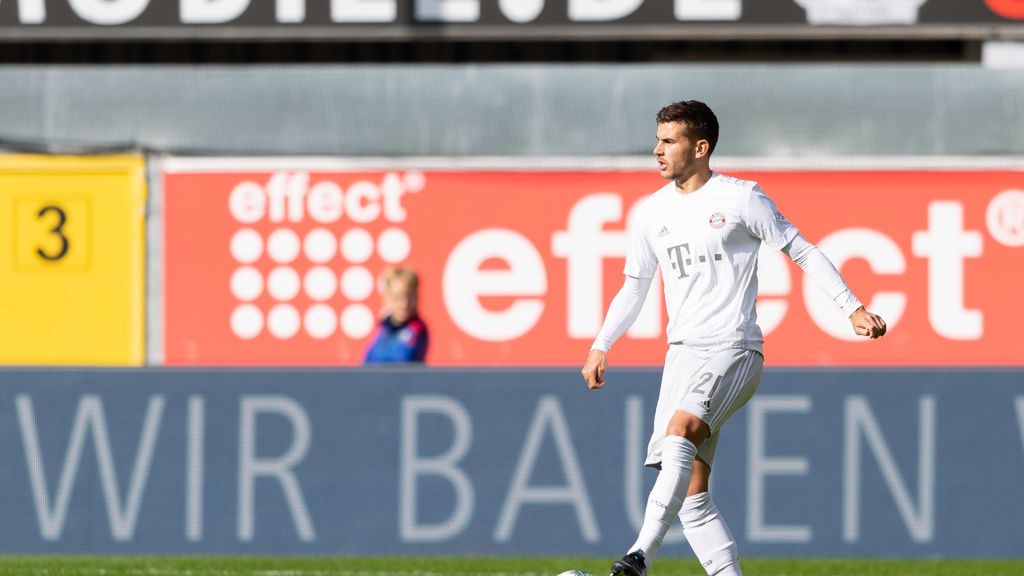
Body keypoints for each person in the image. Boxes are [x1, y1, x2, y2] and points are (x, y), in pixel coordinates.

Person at [580, 100, 887, 576]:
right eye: (657, 139)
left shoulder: (741, 198)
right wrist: (602, 343)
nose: (656, 150)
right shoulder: (651, 212)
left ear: (700, 147)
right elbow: (635, 285)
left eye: (669, 141)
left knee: (679, 431)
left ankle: (640, 556)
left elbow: (800, 249)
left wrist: (852, 308)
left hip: (734, 347)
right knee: (692, 493)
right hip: (681, 354)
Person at [364, 267, 429, 364]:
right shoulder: (382, 328)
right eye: (397, 298)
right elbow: (367, 361)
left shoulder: (417, 329)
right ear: (387, 298)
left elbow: (402, 360)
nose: (404, 304)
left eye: (410, 297)